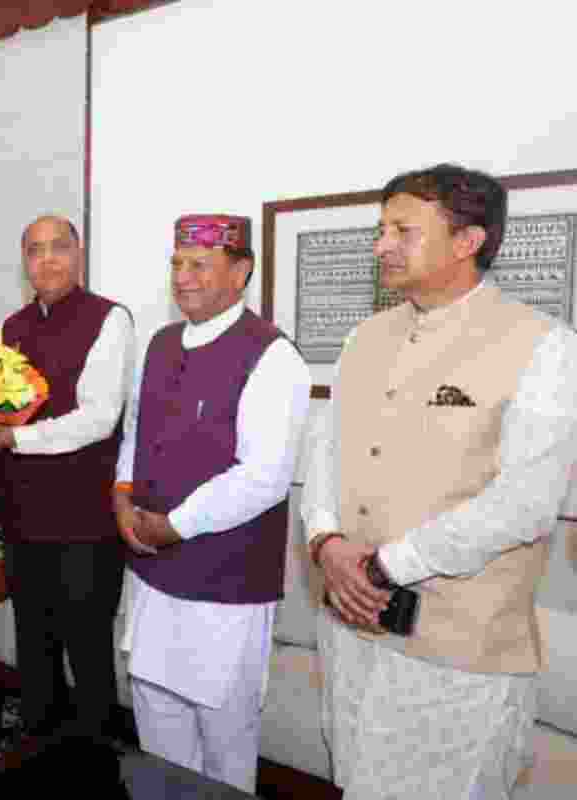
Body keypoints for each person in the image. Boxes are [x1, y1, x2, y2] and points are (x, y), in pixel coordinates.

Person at [303, 163, 577, 800]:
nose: (381, 247)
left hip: (458, 652)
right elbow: (322, 456)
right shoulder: (363, 338)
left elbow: (525, 505)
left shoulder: (545, 346)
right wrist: (326, 544)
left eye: (402, 230)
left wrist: (383, 566)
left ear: (468, 241)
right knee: (356, 783)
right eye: (381, 230)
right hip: (352, 631)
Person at [112, 214, 310, 793]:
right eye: (177, 263)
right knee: (156, 719)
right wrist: (122, 496)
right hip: (150, 571)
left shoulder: (272, 355)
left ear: (241, 270)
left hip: (225, 583)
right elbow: (134, 436)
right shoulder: (161, 341)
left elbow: (265, 476)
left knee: (224, 736)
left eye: (199, 264)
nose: (183, 276)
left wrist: (175, 524)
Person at [0, 214, 135, 744]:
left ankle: (97, 772)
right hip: (22, 519)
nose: (48, 259)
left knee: (88, 658)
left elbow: (98, 417)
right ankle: (37, 772)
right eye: (35, 251)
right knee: (35, 658)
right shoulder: (8, 330)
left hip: (87, 526)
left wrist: (11, 439)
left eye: (59, 247)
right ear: (25, 263)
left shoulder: (110, 320)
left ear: (78, 254)